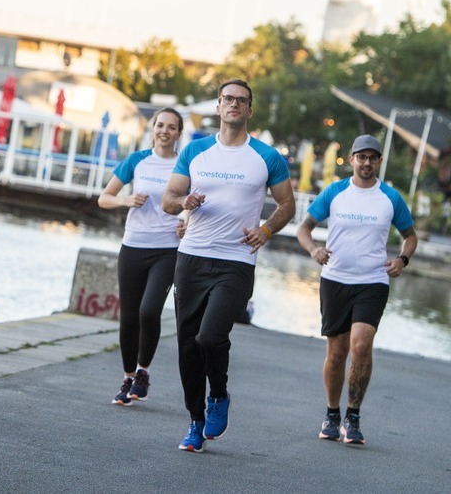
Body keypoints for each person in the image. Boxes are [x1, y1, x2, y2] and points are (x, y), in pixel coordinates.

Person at [161, 79, 295, 453]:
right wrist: (185, 201)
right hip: (192, 256)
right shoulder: (196, 151)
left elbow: (287, 205)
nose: (234, 104)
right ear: (219, 107)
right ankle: (195, 420)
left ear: (249, 110)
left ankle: (218, 394)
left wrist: (266, 229)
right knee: (188, 345)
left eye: (241, 100)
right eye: (228, 99)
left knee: (210, 336)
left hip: (235, 260)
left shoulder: (267, 157)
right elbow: (168, 200)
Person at [296, 134, 417, 445]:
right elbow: (304, 228)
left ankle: (354, 415)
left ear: (379, 162)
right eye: (360, 157)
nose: (366, 163)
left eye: (372, 158)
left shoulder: (390, 197)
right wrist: (313, 251)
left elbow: (410, 236)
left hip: (373, 282)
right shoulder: (335, 192)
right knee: (337, 351)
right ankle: (332, 413)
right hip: (335, 280)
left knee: (361, 346)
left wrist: (402, 259)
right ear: (351, 160)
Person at [98, 107, 187, 407]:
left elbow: (193, 202)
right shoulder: (136, 160)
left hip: (166, 250)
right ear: (152, 128)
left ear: (178, 133)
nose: (164, 131)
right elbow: (104, 197)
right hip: (133, 246)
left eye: (171, 127)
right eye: (160, 125)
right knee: (129, 317)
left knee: (149, 311)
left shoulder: (183, 165)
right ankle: (127, 378)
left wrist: (187, 221)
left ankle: (143, 371)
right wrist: (125, 199)